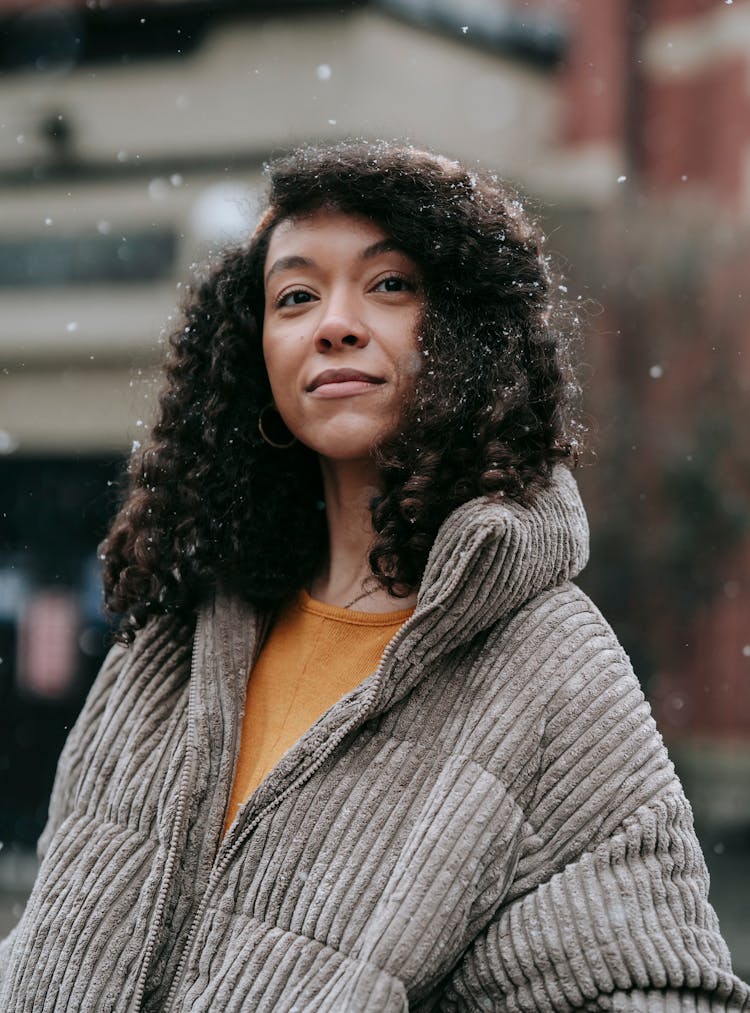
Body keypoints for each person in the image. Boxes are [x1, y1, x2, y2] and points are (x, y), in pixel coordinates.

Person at [1, 142, 747, 1012]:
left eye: (389, 284)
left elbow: (657, 992)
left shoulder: (554, 669)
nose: (334, 322)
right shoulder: (177, 632)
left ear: (466, 331)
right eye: (295, 295)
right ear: (256, 353)